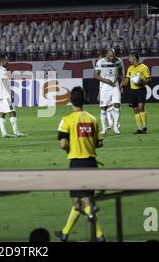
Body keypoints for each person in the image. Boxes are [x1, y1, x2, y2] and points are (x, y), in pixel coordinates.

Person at [55, 86, 105, 242]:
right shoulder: (92, 119)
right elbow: (99, 143)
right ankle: (65, 233)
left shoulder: (67, 120)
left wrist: (73, 146)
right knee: (83, 199)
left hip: (76, 163)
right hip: (91, 162)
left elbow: (63, 144)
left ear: (70, 100)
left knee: (82, 200)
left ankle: (99, 235)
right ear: (84, 101)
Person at [0, 55, 26, 138]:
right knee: (12, 112)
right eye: (6, 60)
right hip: (5, 95)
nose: (8, 62)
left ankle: (4, 133)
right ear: (2, 61)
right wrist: (10, 93)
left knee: (2, 113)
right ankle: (16, 131)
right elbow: (4, 81)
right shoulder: (3, 70)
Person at [94, 48, 123, 135]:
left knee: (117, 105)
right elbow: (95, 75)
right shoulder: (100, 62)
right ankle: (104, 129)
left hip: (115, 85)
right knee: (103, 107)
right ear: (106, 54)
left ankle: (115, 127)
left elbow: (121, 73)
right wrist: (105, 80)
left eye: (113, 55)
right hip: (105, 86)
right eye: (110, 55)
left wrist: (120, 83)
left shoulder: (118, 61)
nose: (112, 57)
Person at [121, 51, 151, 134]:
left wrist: (142, 83)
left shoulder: (144, 67)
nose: (129, 59)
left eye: (130, 57)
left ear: (134, 57)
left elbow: (149, 78)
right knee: (135, 109)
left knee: (141, 107)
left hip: (141, 90)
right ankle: (139, 128)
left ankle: (145, 128)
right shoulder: (130, 68)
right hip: (132, 91)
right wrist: (122, 86)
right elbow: (127, 79)